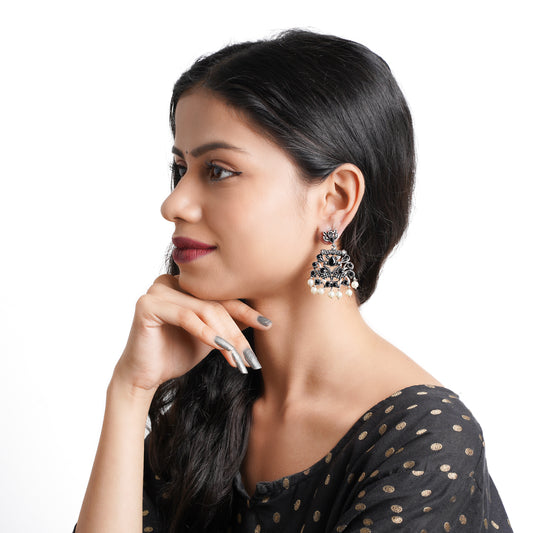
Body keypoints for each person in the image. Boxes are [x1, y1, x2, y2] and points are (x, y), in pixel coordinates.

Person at [74, 29, 512, 532]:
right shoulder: (205, 409)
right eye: (180, 169)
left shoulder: (423, 440)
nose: (173, 204)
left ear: (335, 199)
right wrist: (131, 392)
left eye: (218, 171)